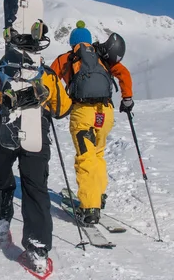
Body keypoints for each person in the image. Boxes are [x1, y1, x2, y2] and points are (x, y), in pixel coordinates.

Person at [0, 0, 72, 274]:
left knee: (0, 178)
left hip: (4, 127)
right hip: (37, 130)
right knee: (35, 188)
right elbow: (64, 108)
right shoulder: (47, 74)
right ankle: (37, 251)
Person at [50, 20, 133, 224]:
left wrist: (56, 105)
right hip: (105, 113)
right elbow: (124, 74)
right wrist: (127, 97)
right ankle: (99, 196)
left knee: (85, 158)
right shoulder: (103, 57)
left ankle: (89, 208)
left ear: (73, 43)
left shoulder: (66, 58)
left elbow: (50, 80)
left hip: (83, 114)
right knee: (98, 155)